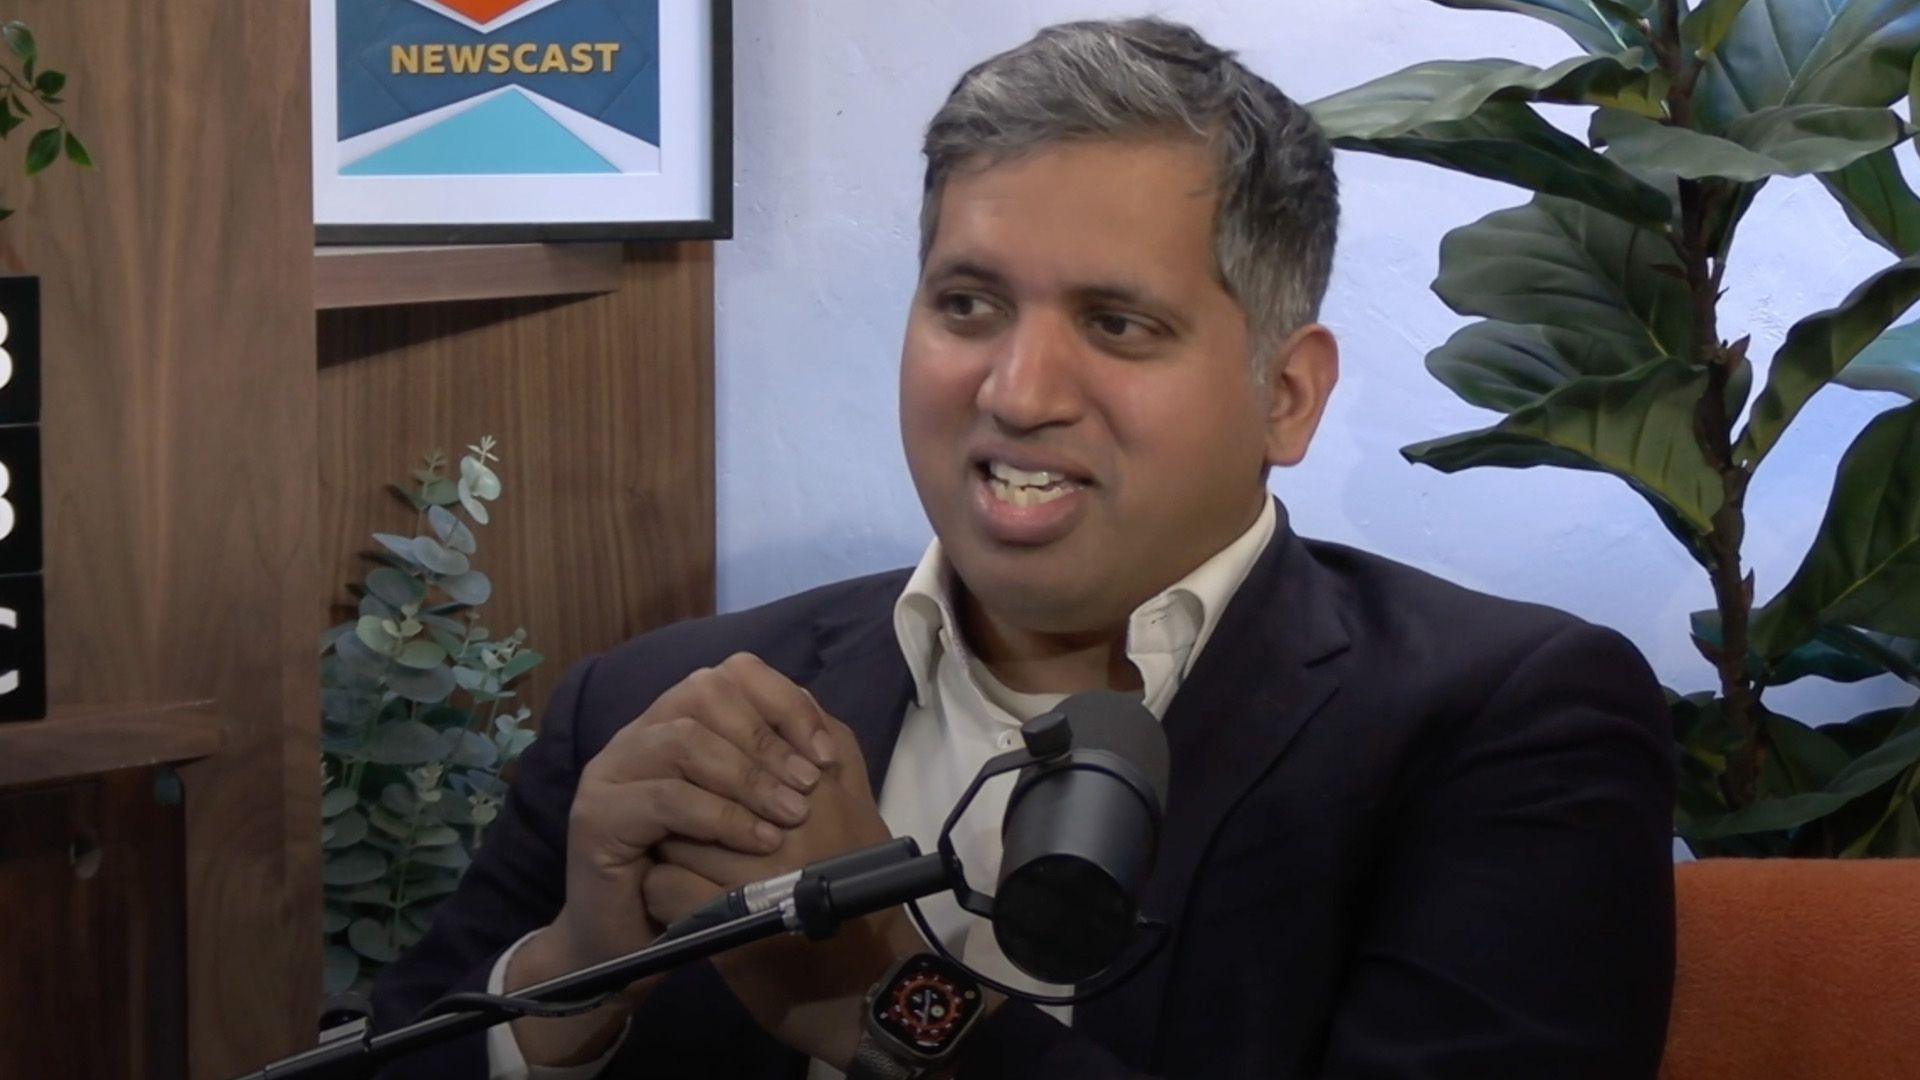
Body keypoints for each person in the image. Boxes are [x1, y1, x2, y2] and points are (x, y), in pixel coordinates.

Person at [371, 17, 1675, 1079]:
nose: (1017, 388)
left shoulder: (1504, 724)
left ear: (1287, 393)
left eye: (1116, 324)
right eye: (968, 304)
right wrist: (566, 981)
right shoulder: (655, 702)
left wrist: (887, 990)